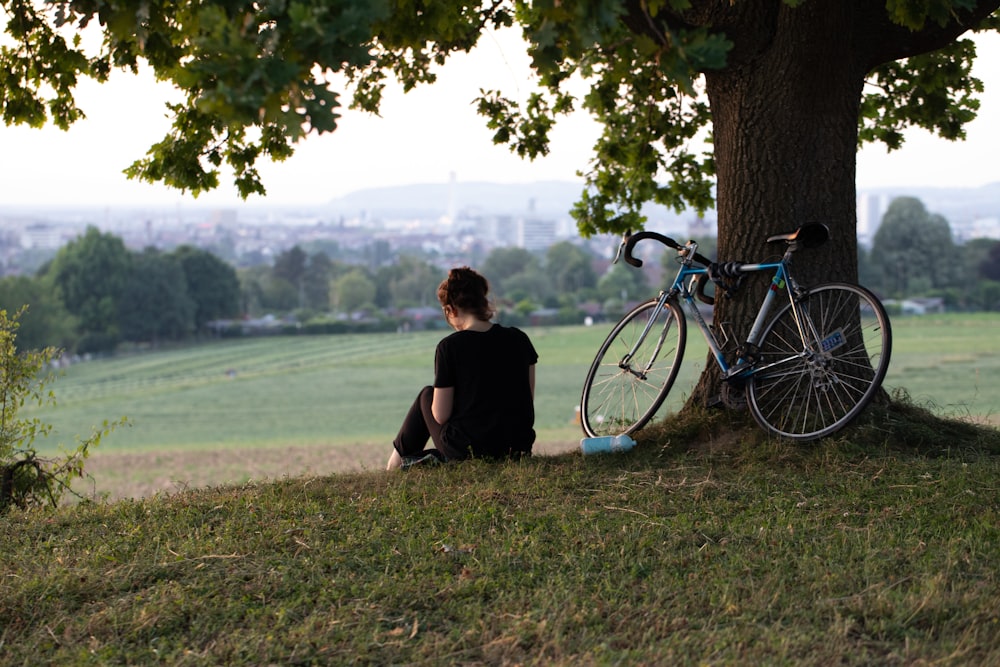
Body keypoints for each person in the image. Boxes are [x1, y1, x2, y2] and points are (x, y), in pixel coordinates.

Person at [387, 266, 538, 470]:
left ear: (451, 310)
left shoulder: (449, 347)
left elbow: (440, 415)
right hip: (518, 447)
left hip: (469, 451)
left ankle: (393, 466)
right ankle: (400, 464)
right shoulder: (519, 339)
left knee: (427, 395)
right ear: (483, 301)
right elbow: (526, 397)